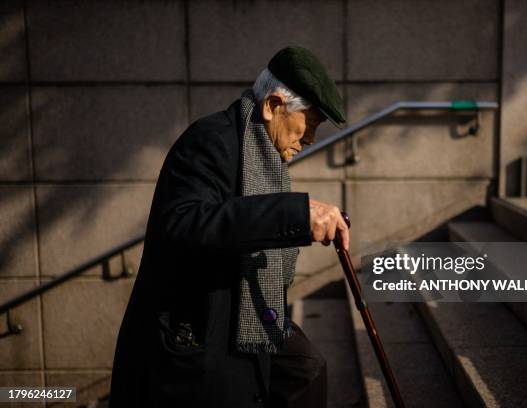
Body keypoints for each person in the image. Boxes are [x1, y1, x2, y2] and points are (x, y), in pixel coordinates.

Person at [109, 46, 349, 408]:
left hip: (246, 311)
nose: (312, 138)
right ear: (273, 106)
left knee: (307, 368)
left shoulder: (265, 155)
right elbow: (182, 222)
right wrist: (295, 214)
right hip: (193, 329)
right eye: (310, 123)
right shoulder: (210, 139)